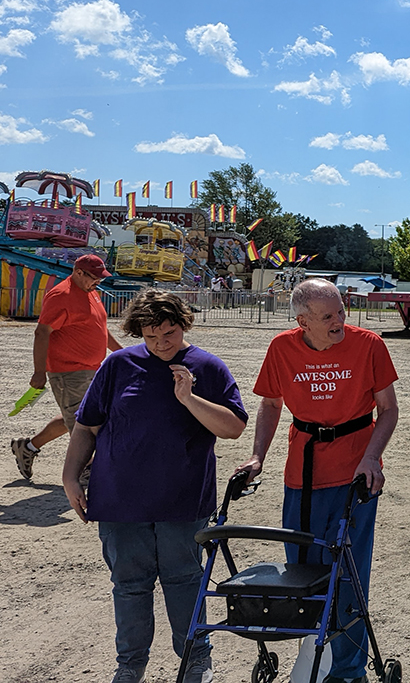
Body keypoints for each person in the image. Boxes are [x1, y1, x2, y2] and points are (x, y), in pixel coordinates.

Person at [62, 288, 248, 683]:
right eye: (151, 337)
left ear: (184, 324)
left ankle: (195, 660)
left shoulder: (208, 367)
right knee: (129, 585)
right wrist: (69, 476)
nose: (162, 344)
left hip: (182, 499)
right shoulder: (118, 365)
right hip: (119, 501)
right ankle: (130, 666)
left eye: (169, 334)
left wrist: (189, 398)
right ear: (138, 333)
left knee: (183, 580)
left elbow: (232, 428)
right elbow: (86, 426)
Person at [237, 278, 399, 683]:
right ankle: (314, 656)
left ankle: (347, 670)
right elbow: (271, 404)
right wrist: (258, 456)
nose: (340, 321)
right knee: (303, 572)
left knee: (348, 574)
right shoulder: (282, 348)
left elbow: (388, 410)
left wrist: (371, 458)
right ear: (302, 321)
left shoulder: (369, 345)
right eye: (329, 316)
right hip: (303, 476)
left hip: (354, 475)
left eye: (342, 311)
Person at [12, 254, 122, 482]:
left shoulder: (90, 292)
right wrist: (39, 371)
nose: (98, 282)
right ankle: (84, 472)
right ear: (78, 272)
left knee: (75, 417)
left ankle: (28, 448)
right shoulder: (61, 296)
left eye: (101, 278)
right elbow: (42, 332)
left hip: (93, 369)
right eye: (94, 277)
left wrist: (122, 353)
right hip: (69, 372)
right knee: (84, 426)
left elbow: (100, 328)